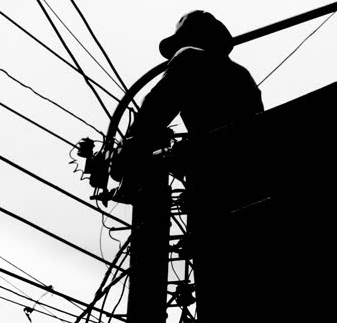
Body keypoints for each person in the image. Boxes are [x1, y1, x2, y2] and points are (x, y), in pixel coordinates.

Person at [110, 10, 264, 200]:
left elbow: (155, 107)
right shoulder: (242, 74)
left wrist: (126, 151)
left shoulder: (189, 58)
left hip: (215, 179)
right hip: (252, 178)